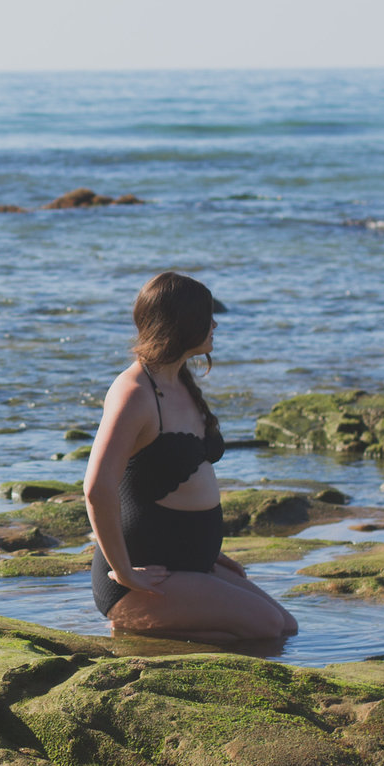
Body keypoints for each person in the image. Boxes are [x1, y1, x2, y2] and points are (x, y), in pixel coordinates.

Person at [84, 271, 296, 646]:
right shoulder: (134, 392)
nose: (214, 324)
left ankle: (162, 621)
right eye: (205, 316)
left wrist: (209, 554)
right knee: (265, 628)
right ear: (179, 324)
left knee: (285, 626)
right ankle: (131, 627)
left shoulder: (179, 381)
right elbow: (97, 489)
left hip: (188, 563)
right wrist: (125, 571)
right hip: (139, 579)